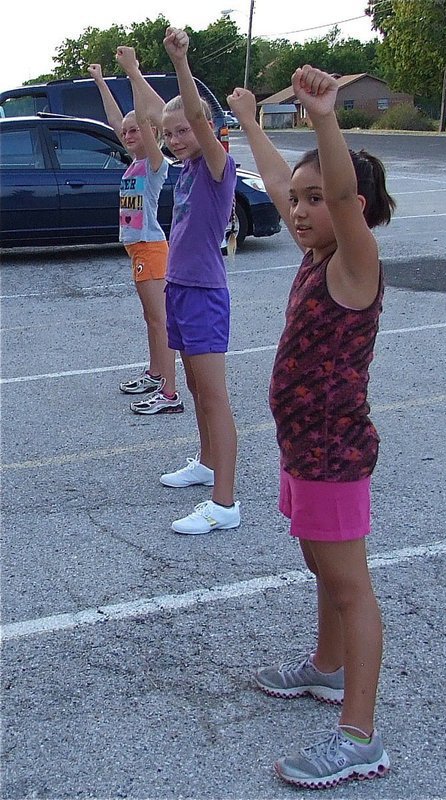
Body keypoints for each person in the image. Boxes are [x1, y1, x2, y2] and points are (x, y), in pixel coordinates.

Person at [228, 65, 395, 790]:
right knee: (320, 567)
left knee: (349, 584)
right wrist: (250, 123)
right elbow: (271, 177)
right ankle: (326, 670)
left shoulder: (354, 263)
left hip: (333, 456)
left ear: (351, 207)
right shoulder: (316, 253)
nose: (296, 211)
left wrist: (325, 118)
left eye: (313, 200)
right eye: (294, 201)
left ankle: (359, 737)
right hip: (303, 452)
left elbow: (344, 195)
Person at [114, 35, 240, 535]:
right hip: (181, 287)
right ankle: (207, 464)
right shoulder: (185, 170)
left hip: (206, 292)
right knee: (192, 385)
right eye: (168, 133)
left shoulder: (215, 168)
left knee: (214, 396)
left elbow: (193, 114)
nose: (174, 138)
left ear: (204, 128)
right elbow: (148, 114)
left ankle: (224, 503)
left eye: (184, 129)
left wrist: (180, 62)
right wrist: (130, 70)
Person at [87, 58, 183, 414]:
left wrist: (133, 74)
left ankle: (169, 392)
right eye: (125, 132)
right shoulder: (133, 162)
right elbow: (116, 120)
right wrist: (99, 81)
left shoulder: (156, 164)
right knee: (151, 319)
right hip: (138, 250)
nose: (128, 134)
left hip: (152, 247)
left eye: (135, 130)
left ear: (152, 133)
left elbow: (145, 117)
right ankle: (155, 373)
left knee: (161, 321)